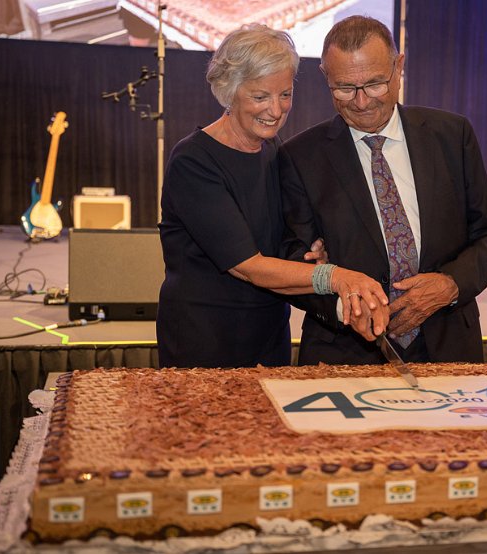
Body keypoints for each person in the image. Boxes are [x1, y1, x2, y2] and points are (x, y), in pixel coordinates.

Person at [279, 16, 487, 365]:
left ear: (398, 68)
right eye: (344, 88)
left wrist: (450, 285)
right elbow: (294, 260)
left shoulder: (452, 136)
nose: (361, 102)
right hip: (344, 353)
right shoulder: (300, 157)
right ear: (326, 78)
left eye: (375, 84)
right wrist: (343, 301)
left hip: (449, 347)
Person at [157, 24, 388, 369]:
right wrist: (336, 276)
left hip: (268, 332)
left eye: (285, 94)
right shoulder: (194, 161)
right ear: (228, 91)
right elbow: (248, 266)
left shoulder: (272, 149)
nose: (276, 110)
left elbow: (280, 239)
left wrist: (311, 250)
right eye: (260, 97)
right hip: (205, 337)